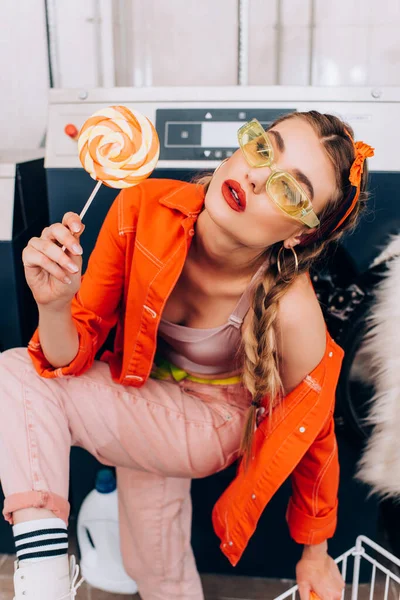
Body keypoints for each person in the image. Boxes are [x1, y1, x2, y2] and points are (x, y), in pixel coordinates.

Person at [0, 110, 373, 600]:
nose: (258, 178)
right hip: (138, 391)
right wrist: (54, 305)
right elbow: (67, 355)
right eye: (265, 149)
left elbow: (314, 431)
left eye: (289, 189)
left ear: (298, 233)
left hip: (212, 423)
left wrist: (315, 553)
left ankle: (43, 586)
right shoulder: (140, 209)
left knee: (13, 372)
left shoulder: (294, 311)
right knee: (154, 568)